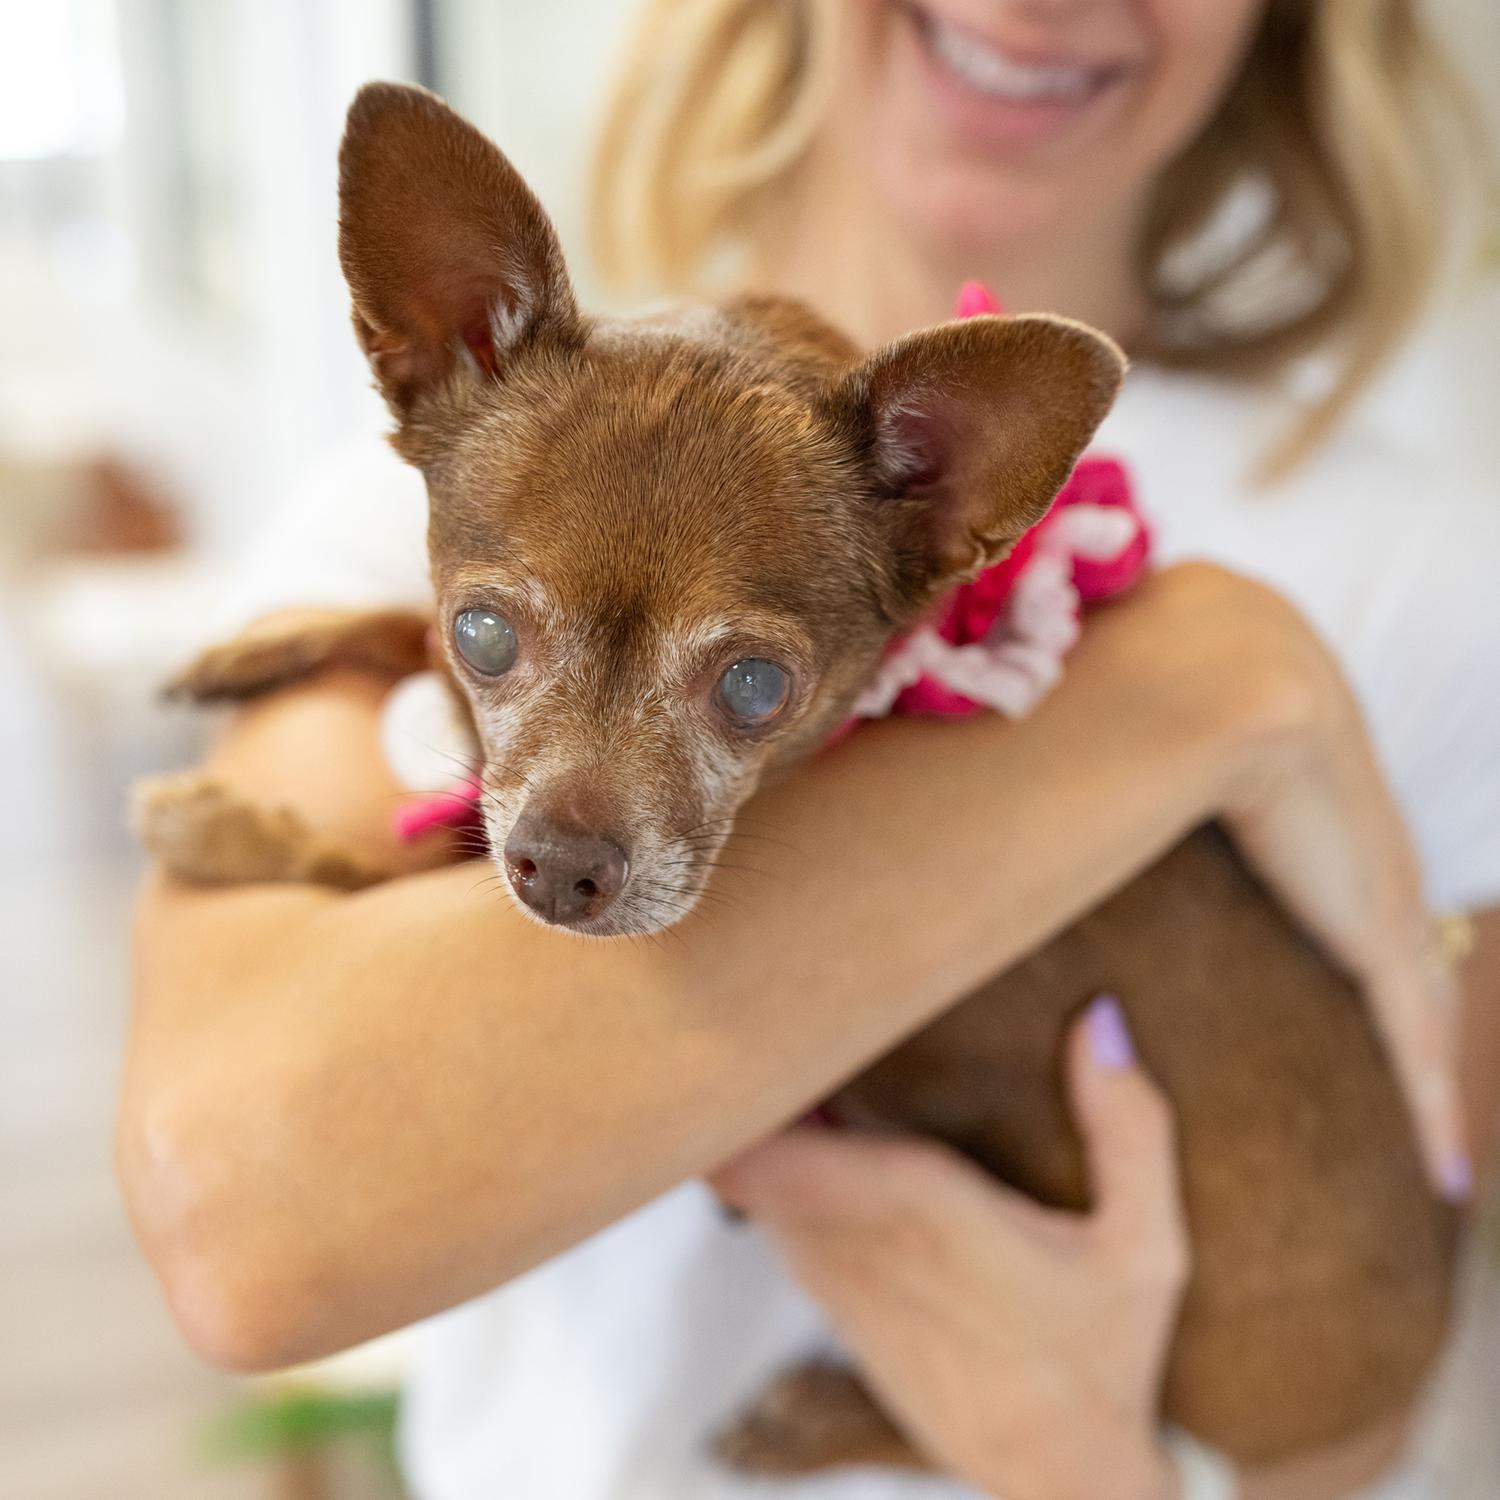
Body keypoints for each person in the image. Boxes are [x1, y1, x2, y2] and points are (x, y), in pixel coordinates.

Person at [118, 1, 1499, 1496]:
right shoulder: (423, 492)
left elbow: (1364, 1392)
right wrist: (1204, 689)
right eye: (495, 640)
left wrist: (1075, 1459)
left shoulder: (1443, 581)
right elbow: (243, 1235)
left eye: (749, 687)